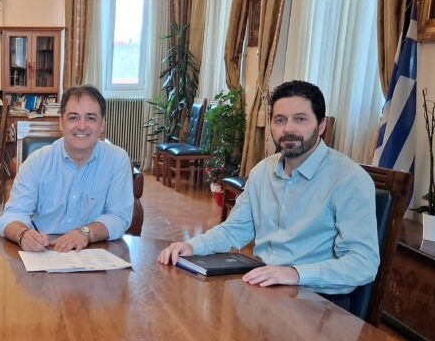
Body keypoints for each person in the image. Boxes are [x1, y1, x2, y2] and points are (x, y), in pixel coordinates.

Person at [158, 80, 379, 308]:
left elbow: (363, 263)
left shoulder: (348, 179)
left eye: (300, 119)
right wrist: (193, 246)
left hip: (318, 301)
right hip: (263, 287)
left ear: (321, 125)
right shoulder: (263, 171)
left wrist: (295, 273)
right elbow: (234, 230)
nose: (288, 129)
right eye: (280, 120)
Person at [0, 85, 134, 252]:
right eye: (73, 117)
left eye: (90, 118)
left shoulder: (117, 160)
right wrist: (23, 234)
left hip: (94, 251)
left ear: (102, 124)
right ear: (61, 123)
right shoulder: (36, 162)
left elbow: (119, 217)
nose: (81, 126)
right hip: (44, 252)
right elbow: (12, 215)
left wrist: (85, 233)